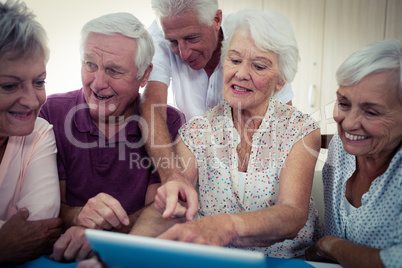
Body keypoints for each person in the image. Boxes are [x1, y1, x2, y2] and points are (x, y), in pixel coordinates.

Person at [130, 9, 322, 258]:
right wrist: (122, 256)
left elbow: (292, 213)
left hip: (288, 261)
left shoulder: (300, 129)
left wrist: (227, 226)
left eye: (259, 66)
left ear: (281, 81)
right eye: (234, 60)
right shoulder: (197, 131)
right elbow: (170, 204)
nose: (241, 73)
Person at [39, 12, 184, 262]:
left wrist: (101, 237)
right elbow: (44, 207)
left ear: (144, 75)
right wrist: (77, 216)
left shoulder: (169, 123)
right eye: (90, 65)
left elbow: (161, 211)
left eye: (114, 71)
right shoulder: (51, 112)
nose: (97, 83)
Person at [140, 0, 295, 185]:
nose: (183, 53)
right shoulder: (160, 34)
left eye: (192, 38)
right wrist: (172, 176)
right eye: (173, 42)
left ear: (216, 19)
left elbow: (284, 120)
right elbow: (152, 106)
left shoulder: (247, 34)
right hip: (193, 159)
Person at [305, 40, 402, 267]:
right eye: (343, 103)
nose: (348, 124)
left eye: (371, 112)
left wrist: (330, 246)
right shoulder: (343, 146)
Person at [0, 0, 62, 265]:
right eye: (10, 86)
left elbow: (39, 226)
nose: (32, 101)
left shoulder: (39, 132)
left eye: (39, 82)